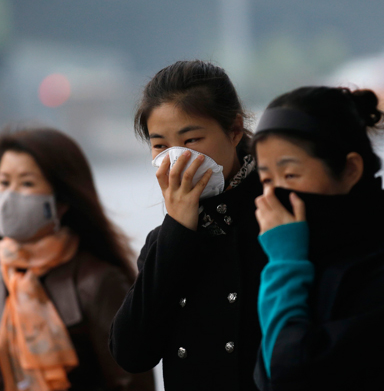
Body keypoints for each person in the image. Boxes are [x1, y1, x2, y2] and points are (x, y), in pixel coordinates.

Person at [251, 86, 384, 390]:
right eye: (267, 180)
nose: (274, 194)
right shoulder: (314, 256)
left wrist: (283, 263)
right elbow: (268, 371)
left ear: (350, 169)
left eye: (291, 175)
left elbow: (294, 375)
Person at [109, 60, 268, 391]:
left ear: (235, 129)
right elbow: (132, 353)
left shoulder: (277, 215)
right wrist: (177, 231)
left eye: (191, 139)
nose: (177, 158)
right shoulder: (164, 241)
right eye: (160, 146)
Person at [0, 128, 155, 391]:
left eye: (27, 184)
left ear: (61, 202)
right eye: (4, 183)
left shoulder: (97, 283)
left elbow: (132, 383)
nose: (9, 197)